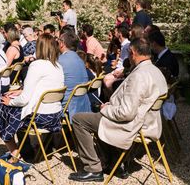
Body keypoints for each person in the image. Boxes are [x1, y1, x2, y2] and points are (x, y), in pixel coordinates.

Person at [68, 38, 168, 182]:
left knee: (79, 119)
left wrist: (106, 109)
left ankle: (92, 168)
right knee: (95, 118)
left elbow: (126, 113)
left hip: (134, 124)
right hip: (149, 121)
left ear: (133, 52)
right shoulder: (155, 70)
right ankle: (114, 162)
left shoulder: (139, 75)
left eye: (128, 53)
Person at [58, 32, 91, 121]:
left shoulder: (60, 61)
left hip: (67, 103)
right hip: (82, 102)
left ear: (62, 43)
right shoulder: (80, 59)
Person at [103, 24, 130, 93]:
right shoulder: (123, 45)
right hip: (118, 68)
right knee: (105, 78)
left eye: (116, 32)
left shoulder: (127, 46)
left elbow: (126, 62)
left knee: (107, 81)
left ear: (120, 34)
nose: (114, 34)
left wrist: (121, 71)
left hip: (122, 70)